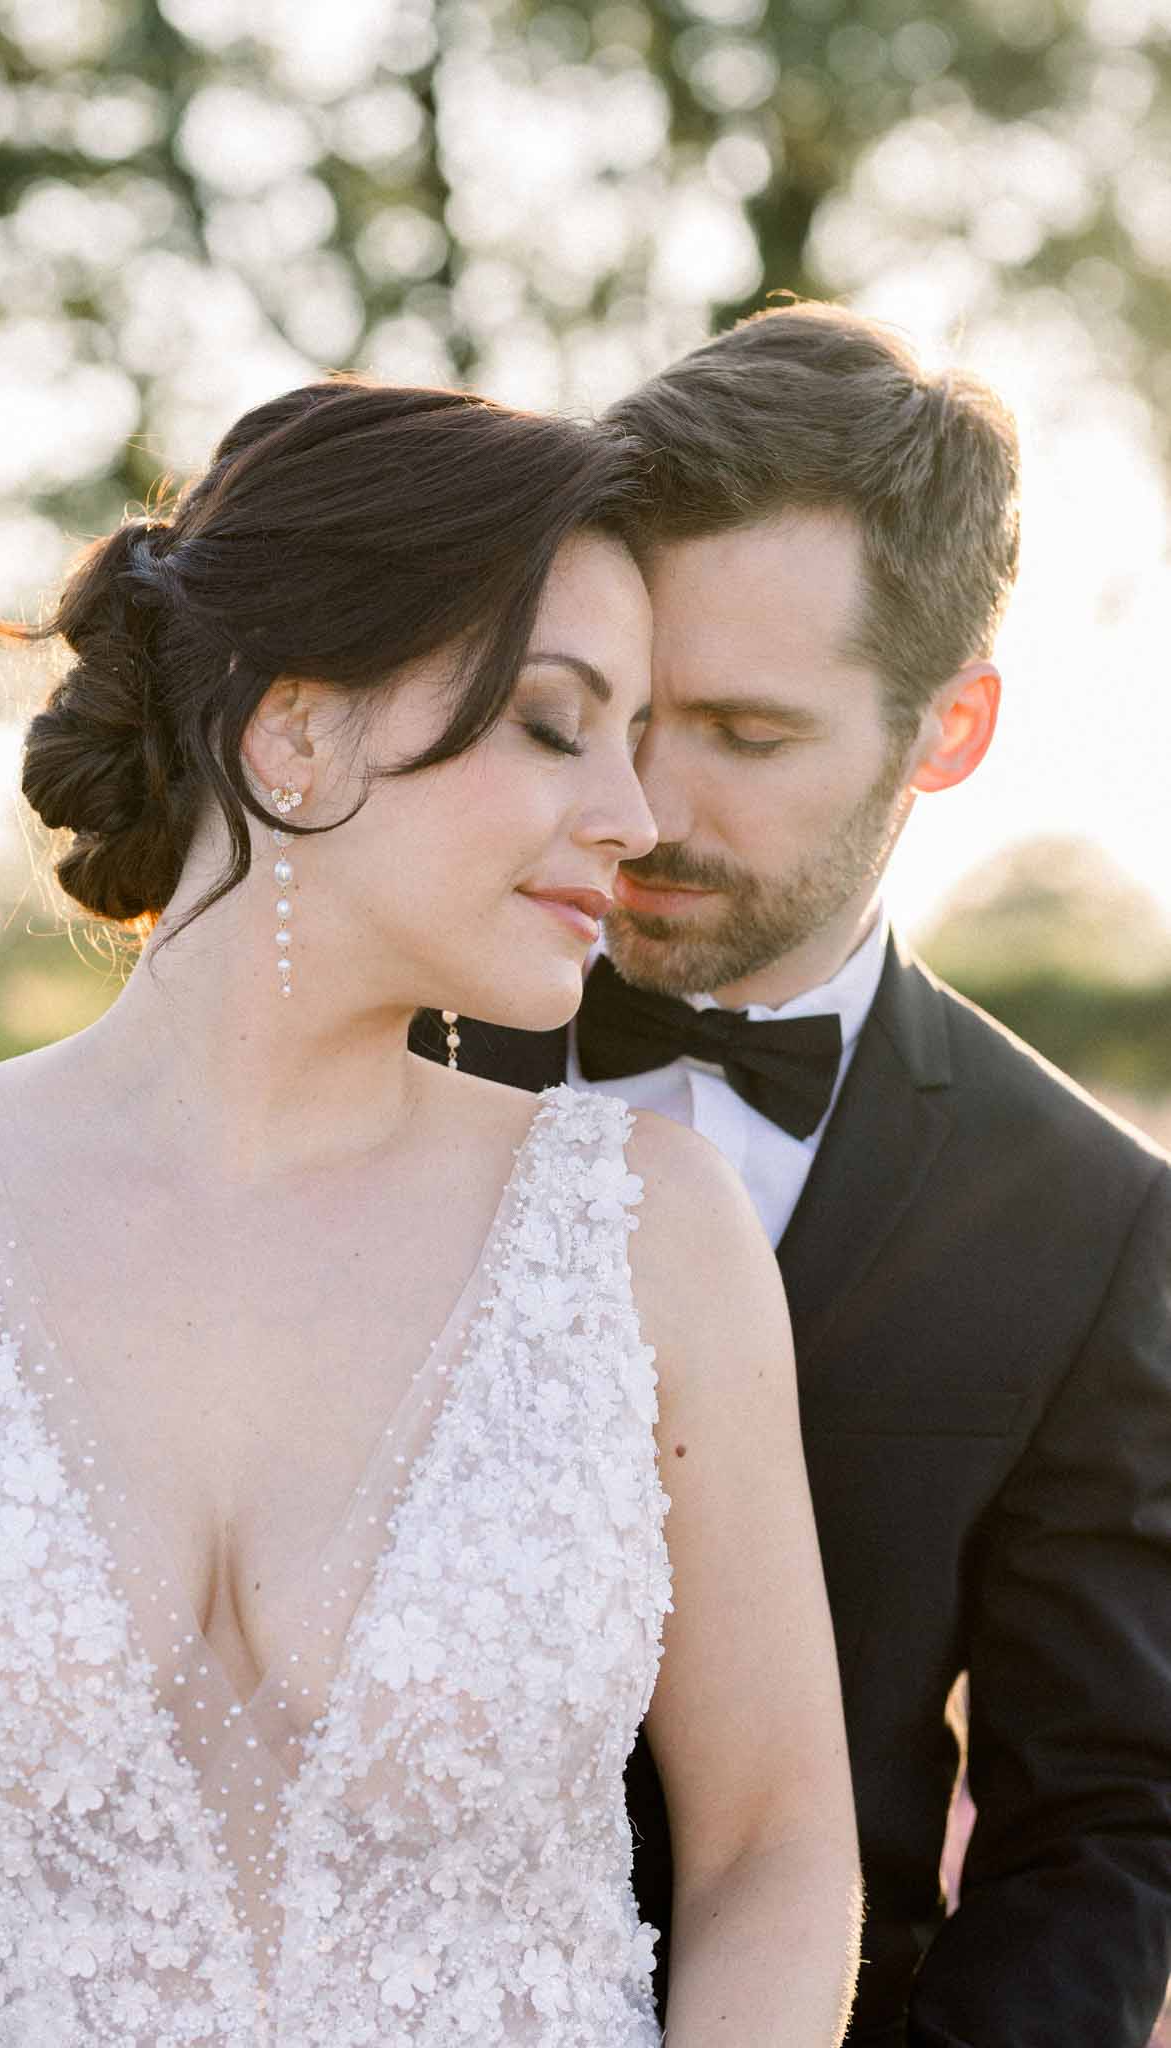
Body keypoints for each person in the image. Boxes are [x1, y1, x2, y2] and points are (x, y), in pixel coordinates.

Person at [0, 379, 861, 2047]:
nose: (634, 817)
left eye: (636, 740)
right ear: (292, 732)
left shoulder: (648, 1236)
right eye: (551, 720)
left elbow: (775, 1852)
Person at [432, 304, 1171, 2047]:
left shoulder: (1089, 1220)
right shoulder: (383, 1040)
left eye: (745, 736)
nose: (638, 803)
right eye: (602, 712)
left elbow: (1102, 1825)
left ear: (949, 729)